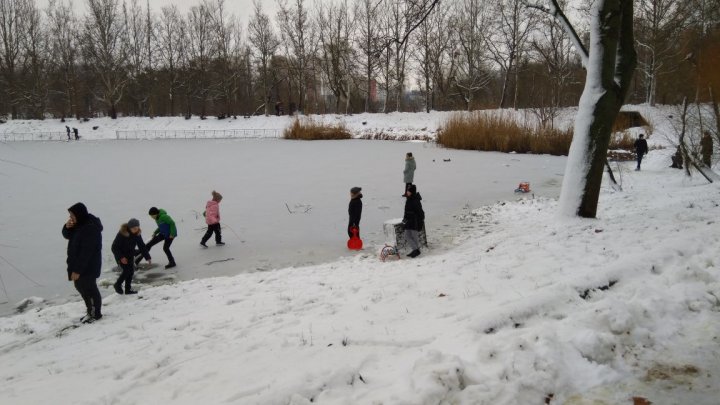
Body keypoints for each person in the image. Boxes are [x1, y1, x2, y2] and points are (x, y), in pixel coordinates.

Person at [62, 202, 103, 323]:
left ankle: (96, 314)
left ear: (79, 214)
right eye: (70, 215)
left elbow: (86, 253)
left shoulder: (90, 228)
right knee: (81, 287)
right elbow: (67, 235)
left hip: (88, 266)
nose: (70, 218)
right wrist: (66, 227)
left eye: (72, 215)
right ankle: (90, 311)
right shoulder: (79, 223)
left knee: (88, 288)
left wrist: (77, 270)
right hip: (79, 264)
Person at [111, 219, 151, 295]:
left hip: (130, 254)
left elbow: (142, 246)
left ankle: (127, 290)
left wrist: (147, 257)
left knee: (131, 272)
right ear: (129, 227)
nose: (136, 230)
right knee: (127, 270)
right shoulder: (122, 234)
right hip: (121, 255)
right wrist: (121, 257)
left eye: (137, 228)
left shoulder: (137, 234)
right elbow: (114, 247)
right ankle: (117, 284)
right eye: (134, 228)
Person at [402, 184, 425, 258]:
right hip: (408, 221)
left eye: (408, 191)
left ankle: (416, 251)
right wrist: (404, 220)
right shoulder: (408, 199)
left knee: (414, 237)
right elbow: (406, 211)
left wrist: (420, 221)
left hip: (414, 222)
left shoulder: (415, 201)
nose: (407, 192)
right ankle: (416, 250)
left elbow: (420, 212)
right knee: (407, 235)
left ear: (412, 192)